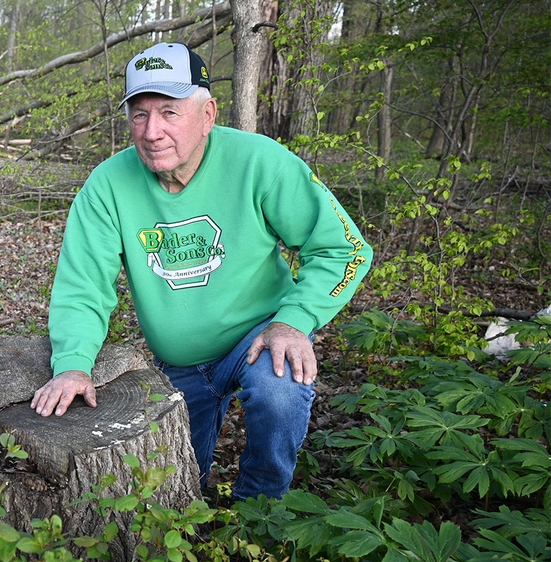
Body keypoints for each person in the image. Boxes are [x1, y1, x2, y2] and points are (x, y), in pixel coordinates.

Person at [30, 42, 372, 501]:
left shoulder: (260, 162)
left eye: (170, 112)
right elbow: (82, 285)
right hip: (179, 363)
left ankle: (260, 513)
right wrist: (72, 365)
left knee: (279, 392)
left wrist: (295, 322)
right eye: (139, 114)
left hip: (259, 338)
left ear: (208, 114)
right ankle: (191, 530)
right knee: (177, 481)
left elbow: (344, 248)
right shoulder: (108, 186)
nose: (152, 131)